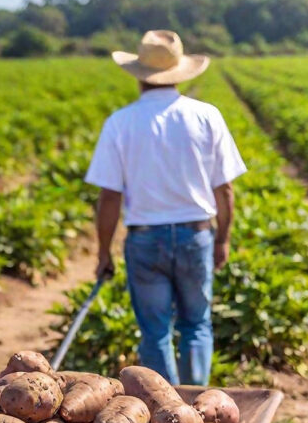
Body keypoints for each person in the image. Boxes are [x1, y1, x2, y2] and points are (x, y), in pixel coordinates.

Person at [85, 29, 246, 386]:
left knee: (155, 332)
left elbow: (109, 197)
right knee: (196, 324)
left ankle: (166, 409)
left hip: (145, 241)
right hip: (195, 234)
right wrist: (223, 239)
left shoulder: (121, 122)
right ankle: (194, 404)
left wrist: (103, 252)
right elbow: (225, 189)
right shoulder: (206, 116)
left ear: (139, 76)